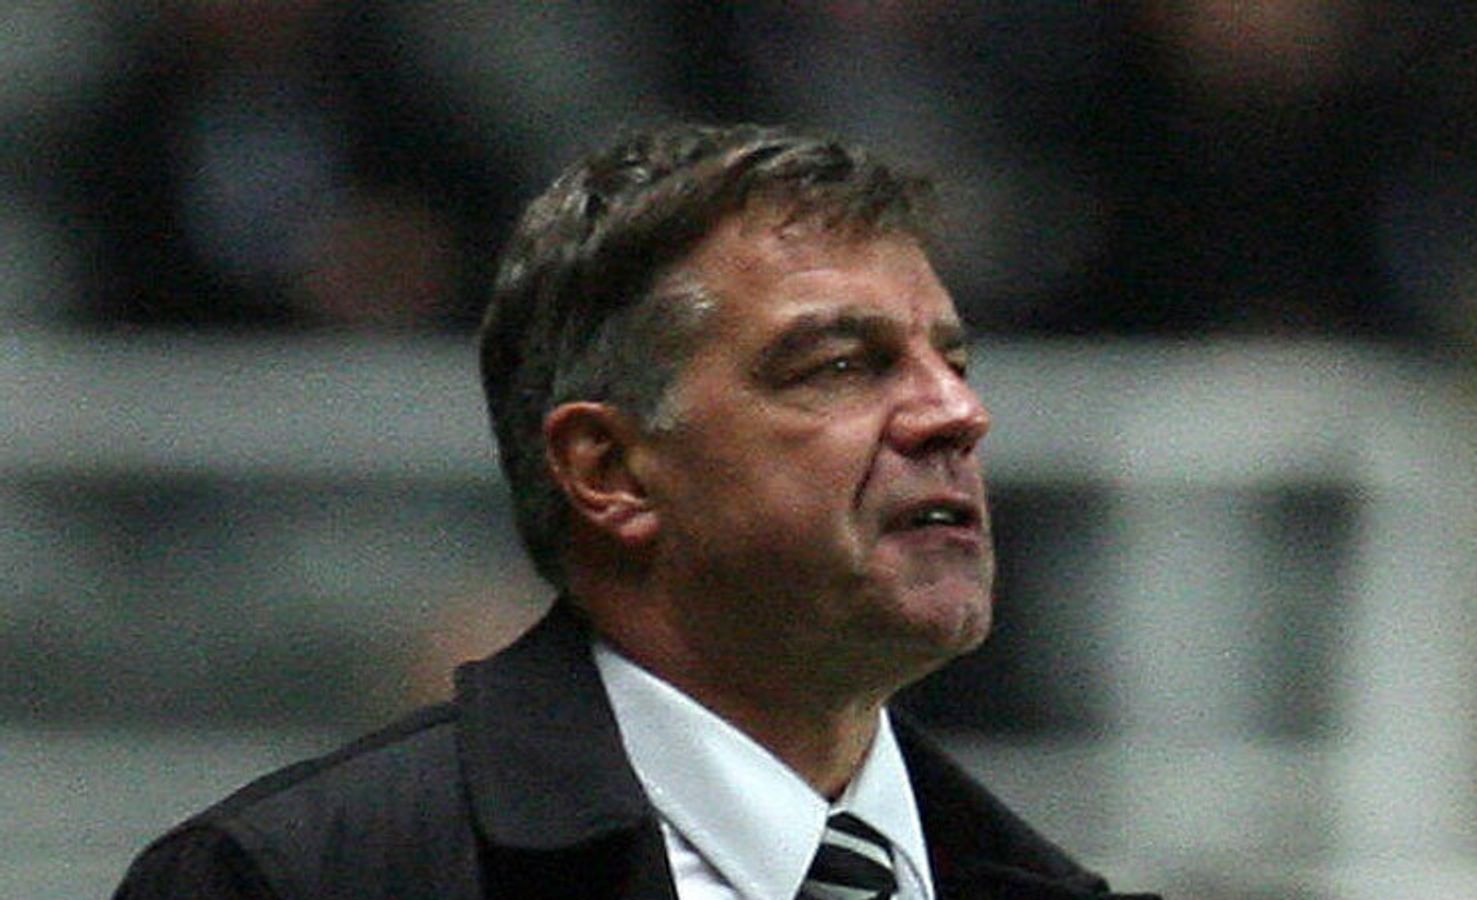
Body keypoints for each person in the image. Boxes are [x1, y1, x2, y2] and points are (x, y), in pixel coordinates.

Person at [114, 122, 1159, 899]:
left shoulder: (1041, 883)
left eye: (953, 362)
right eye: (842, 366)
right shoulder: (293, 880)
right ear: (609, 471)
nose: (956, 414)